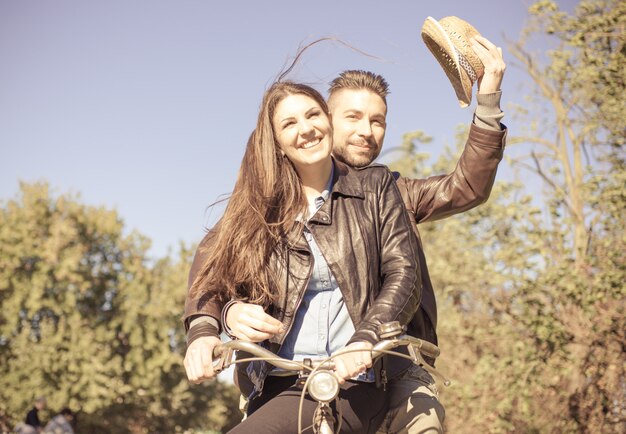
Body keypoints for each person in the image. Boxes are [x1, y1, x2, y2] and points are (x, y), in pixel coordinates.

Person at [184, 33, 506, 433]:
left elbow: (466, 188)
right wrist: (221, 319)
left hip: (385, 365)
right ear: (327, 118)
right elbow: (217, 267)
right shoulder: (266, 199)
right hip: (288, 375)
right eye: (352, 117)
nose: (367, 131)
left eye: (377, 121)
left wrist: (489, 99)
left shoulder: (387, 190)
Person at [185, 81, 422, 433]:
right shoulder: (256, 207)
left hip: (353, 380)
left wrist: (366, 338)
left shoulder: (375, 186)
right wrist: (207, 328)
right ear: (277, 143)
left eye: (312, 115)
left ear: (328, 120)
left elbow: (404, 272)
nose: (306, 129)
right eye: (289, 123)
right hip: (275, 381)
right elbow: (209, 273)